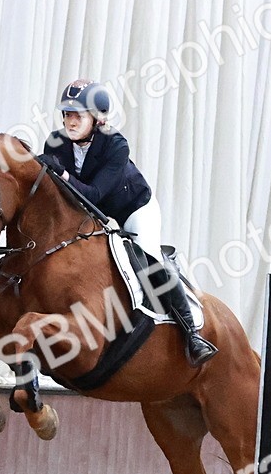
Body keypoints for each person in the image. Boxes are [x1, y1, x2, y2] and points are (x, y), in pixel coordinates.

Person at [38, 79, 217, 367]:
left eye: (78, 116)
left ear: (98, 119)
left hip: (133, 209)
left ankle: (192, 333)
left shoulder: (116, 145)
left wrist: (65, 176)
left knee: (149, 256)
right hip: (91, 214)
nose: (70, 122)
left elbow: (94, 194)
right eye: (67, 115)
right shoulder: (55, 143)